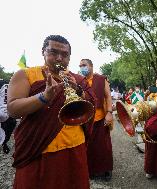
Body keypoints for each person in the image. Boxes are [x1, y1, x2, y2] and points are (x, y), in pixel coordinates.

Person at [7, 35, 96, 189]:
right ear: (43, 52)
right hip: (39, 149)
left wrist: (79, 91)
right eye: (53, 53)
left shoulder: (78, 80)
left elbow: (92, 104)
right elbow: (13, 109)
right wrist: (44, 97)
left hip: (74, 147)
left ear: (69, 58)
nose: (59, 58)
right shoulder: (25, 75)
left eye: (65, 54)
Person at [79, 58, 113, 181]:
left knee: (104, 146)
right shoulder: (80, 81)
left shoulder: (101, 79)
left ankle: (106, 169)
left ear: (91, 66)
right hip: (86, 120)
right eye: (80, 65)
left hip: (100, 118)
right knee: (89, 147)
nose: (82, 67)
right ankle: (92, 170)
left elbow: (108, 97)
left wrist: (109, 113)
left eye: (84, 65)